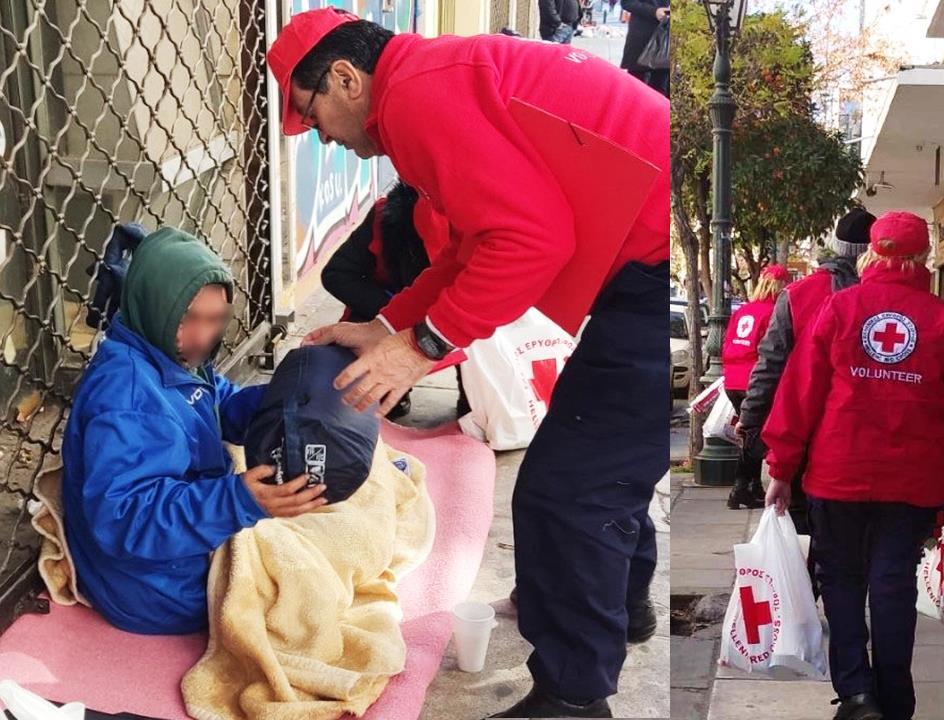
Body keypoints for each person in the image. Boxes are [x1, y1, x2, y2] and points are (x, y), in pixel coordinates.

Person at [267, 10, 668, 718]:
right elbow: (471, 246)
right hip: (641, 263)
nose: (323, 136)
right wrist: (386, 325)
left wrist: (415, 350)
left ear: (344, 77)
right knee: (603, 470)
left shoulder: (421, 98)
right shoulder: (432, 80)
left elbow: (527, 241)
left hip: (649, 268)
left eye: (313, 115)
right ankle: (619, 606)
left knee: (565, 493)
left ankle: (574, 697)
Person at [763, 212, 944, 720]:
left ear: (872, 252)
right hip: (911, 485)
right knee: (893, 587)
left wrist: (781, 467)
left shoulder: (838, 310)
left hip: (836, 475)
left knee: (842, 582)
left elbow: (800, 393)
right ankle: (896, 699)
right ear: (924, 259)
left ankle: (856, 693)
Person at [59, 227, 327, 635]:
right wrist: (236, 501)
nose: (204, 336)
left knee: (323, 514)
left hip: (182, 539)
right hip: (153, 589)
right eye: (190, 319)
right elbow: (124, 520)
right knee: (311, 598)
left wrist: (287, 397)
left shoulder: (168, 347)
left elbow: (218, 405)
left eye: (216, 319)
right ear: (156, 305)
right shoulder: (127, 398)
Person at [737, 208, 875, 535]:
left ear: (837, 246)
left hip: (800, 433)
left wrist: (751, 415)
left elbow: (770, 364)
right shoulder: (887, 300)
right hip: (864, 438)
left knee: (802, 534)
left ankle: (807, 584)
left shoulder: (799, 294)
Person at [321, 181, 469, 420]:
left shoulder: (481, 227)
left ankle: (472, 402)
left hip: (457, 312)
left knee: (483, 346)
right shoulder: (384, 217)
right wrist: (387, 316)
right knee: (358, 402)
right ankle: (390, 394)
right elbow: (337, 273)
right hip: (387, 307)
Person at [722, 264, 788, 509]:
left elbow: (727, 343)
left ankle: (751, 486)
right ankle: (741, 488)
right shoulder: (773, 312)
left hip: (733, 380)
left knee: (749, 435)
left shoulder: (743, 311)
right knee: (754, 438)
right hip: (754, 380)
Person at [620, 0, 670, 96]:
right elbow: (627, 3)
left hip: (666, 40)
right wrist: (654, 11)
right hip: (642, 38)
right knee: (636, 88)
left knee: (660, 89)